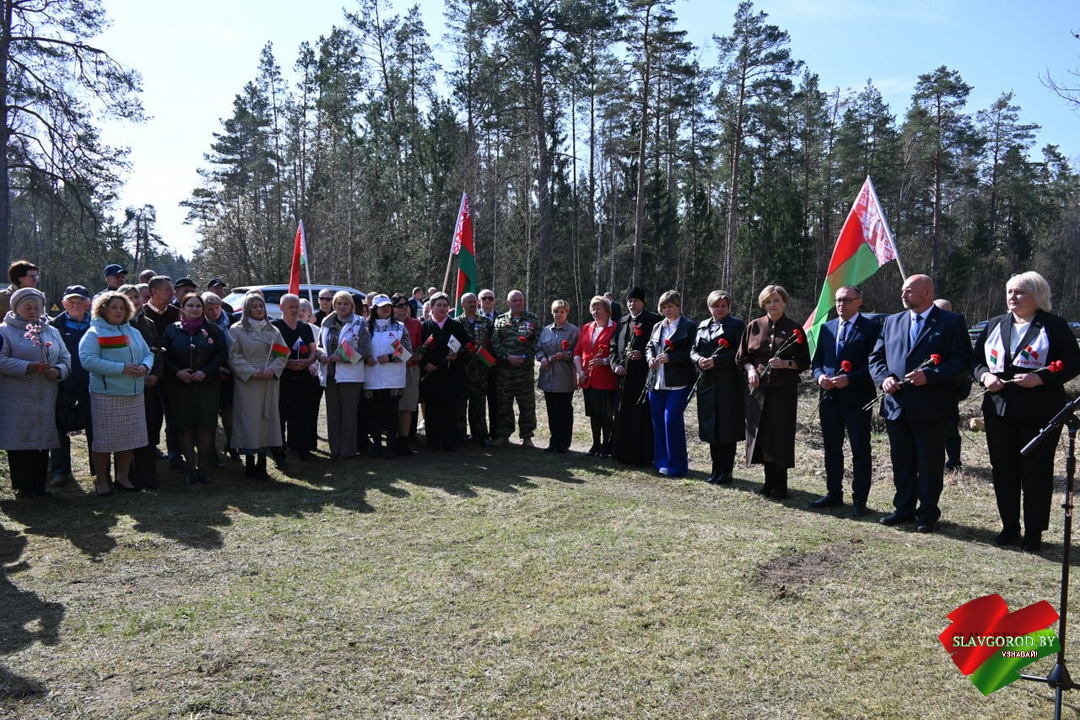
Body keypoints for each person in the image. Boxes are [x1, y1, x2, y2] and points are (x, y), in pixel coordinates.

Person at [974, 272, 1080, 551]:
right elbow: (976, 361)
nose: (1013, 297)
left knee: (1036, 471)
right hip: (998, 410)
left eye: (1020, 292)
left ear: (1037, 295)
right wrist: (985, 376)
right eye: (1009, 291)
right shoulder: (995, 324)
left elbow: (1073, 363)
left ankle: (1034, 530)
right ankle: (1009, 526)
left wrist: (1041, 378)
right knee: (1003, 469)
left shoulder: (1054, 326)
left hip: (1040, 411)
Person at [869, 274, 971, 533]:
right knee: (901, 460)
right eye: (903, 291)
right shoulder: (892, 321)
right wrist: (884, 379)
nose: (903, 295)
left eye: (909, 291)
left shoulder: (951, 322)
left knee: (929, 462)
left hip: (931, 406)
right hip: (897, 405)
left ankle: (927, 512)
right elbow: (876, 357)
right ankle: (903, 508)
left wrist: (931, 375)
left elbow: (961, 362)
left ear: (927, 293)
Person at [810, 286, 881, 515]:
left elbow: (875, 365)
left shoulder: (872, 328)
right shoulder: (827, 328)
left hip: (857, 398)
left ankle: (860, 500)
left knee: (860, 449)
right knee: (832, 448)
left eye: (847, 300)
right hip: (829, 398)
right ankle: (833, 493)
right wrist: (819, 377)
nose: (841, 304)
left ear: (859, 301)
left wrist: (850, 379)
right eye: (838, 300)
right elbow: (817, 362)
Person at [737, 284, 811, 499]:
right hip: (758, 389)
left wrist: (786, 363)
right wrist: (751, 370)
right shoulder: (754, 326)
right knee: (762, 434)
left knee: (780, 434)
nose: (772, 305)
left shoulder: (795, 328)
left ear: (784, 302)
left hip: (783, 390)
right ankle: (768, 482)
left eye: (776, 300)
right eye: (768, 301)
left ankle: (781, 484)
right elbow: (742, 357)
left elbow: (804, 361)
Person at [78, 291, 155, 495]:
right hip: (106, 395)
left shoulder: (134, 332)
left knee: (128, 439)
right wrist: (121, 368)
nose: (119, 311)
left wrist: (145, 367)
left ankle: (123, 478)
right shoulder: (94, 333)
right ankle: (102, 480)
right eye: (114, 307)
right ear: (103, 309)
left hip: (134, 394)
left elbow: (148, 353)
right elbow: (88, 360)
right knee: (104, 442)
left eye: (122, 308)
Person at [0, 288, 71, 496]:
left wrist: (58, 371)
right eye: (28, 308)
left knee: (41, 439)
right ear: (16, 308)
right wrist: (28, 367)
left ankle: (39, 484)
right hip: (17, 395)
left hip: (45, 394)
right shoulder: (5, 331)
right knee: (21, 439)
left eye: (36, 307)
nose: (33, 311)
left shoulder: (51, 331)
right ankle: (23, 485)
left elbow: (65, 357)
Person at [160, 292, 228, 484]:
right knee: (185, 426)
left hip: (208, 385)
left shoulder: (213, 329)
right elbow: (163, 354)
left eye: (198, 305)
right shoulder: (172, 329)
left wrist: (205, 371)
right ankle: (191, 468)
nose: (195, 309)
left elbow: (222, 353)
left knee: (205, 425)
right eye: (190, 305)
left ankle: (204, 467)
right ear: (182, 308)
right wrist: (177, 372)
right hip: (180, 386)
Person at [229, 293, 287, 480]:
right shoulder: (237, 330)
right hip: (248, 382)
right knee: (249, 421)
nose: (259, 309)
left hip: (269, 380)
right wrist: (252, 371)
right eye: (254, 306)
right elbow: (233, 356)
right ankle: (249, 463)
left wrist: (272, 369)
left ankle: (262, 463)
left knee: (266, 420)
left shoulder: (273, 330)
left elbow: (282, 354)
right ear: (247, 309)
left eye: (261, 306)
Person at [690, 290, 746, 485]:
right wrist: (698, 360)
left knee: (726, 428)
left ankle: (726, 471)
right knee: (711, 427)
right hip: (707, 383)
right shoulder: (702, 326)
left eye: (723, 305)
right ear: (709, 307)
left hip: (728, 383)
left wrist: (717, 360)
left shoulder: (737, 325)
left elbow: (741, 353)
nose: (720, 309)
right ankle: (715, 469)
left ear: (729, 307)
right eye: (716, 306)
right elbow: (693, 350)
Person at [644, 290, 696, 477]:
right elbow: (649, 347)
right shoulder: (658, 326)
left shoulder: (689, 326)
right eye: (664, 307)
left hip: (678, 382)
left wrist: (671, 358)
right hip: (656, 382)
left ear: (678, 307)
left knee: (671, 421)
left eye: (671, 306)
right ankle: (662, 462)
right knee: (658, 423)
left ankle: (678, 466)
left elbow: (692, 352)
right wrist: (650, 358)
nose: (668, 310)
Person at [609, 287, 661, 466]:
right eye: (629, 301)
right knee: (623, 414)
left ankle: (642, 456)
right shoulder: (622, 322)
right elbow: (613, 348)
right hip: (624, 377)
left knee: (641, 417)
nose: (632, 304)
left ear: (643, 302)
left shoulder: (653, 320)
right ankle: (623, 453)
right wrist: (616, 366)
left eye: (636, 301)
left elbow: (657, 347)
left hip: (643, 376)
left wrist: (643, 357)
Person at [120, 284, 164, 489]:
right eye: (128, 297)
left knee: (148, 429)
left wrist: (156, 374)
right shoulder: (115, 324)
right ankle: (126, 475)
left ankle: (147, 476)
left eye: (136, 296)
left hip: (147, 383)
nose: (134, 301)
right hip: (125, 383)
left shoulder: (149, 323)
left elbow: (156, 351)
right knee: (128, 431)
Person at [318, 290, 371, 460]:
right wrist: (320, 355)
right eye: (339, 303)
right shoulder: (326, 322)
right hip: (330, 374)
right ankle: (335, 449)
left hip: (350, 376)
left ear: (352, 306)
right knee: (333, 413)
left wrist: (343, 358)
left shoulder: (360, 322)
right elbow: (320, 345)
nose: (342, 307)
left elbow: (365, 350)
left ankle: (348, 450)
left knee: (348, 413)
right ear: (334, 304)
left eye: (346, 303)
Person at [50, 285, 93, 488]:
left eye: (80, 301)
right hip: (63, 383)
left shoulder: (97, 324)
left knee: (95, 426)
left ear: (88, 304)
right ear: (64, 304)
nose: (76, 305)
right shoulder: (53, 326)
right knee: (59, 427)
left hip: (92, 382)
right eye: (72, 302)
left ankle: (99, 471)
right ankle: (60, 471)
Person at [420, 292, 473, 452]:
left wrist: (458, 355)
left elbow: (469, 346)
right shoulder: (424, 326)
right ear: (432, 307)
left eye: (445, 305)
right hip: (432, 374)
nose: (442, 308)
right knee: (432, 409)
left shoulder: (456, 325)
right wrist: (425, 363)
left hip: (452, 374)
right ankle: (433, 441)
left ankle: (449, 441)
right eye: (439, 305)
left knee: (450, 408)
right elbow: (417, 349)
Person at [490, 289, 541, 447]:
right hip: (504, 371)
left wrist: (524, 356)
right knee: (504, 404)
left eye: (521, 300)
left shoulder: (532, 319)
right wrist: (508, 357)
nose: (519, 303)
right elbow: (495, 342)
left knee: (527, 404)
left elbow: (538, 341)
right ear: (508, 303)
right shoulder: (500, 320)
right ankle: (503, 435)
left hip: (524, 370)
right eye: (515, 300)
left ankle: (527, 436)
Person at [362, 294, 411, 457]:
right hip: (371, 377)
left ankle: (391, 447)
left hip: (393, 378)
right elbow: (357, 347)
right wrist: (365, 358)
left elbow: (407, 352)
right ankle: (376, 446)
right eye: (382, 307)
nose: (386, 309)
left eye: (388, 306)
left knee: (391, 413)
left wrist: (390, 357)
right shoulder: (365, 327)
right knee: (374, 413)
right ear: (375, 309)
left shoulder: (399, 327)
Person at [273, 294, 320, 462]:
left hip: (303, 378)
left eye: (297, 307)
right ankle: (279, 452)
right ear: (281, 307)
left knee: (302, 415)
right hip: (282, 379)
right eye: (291, 307)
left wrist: (308, 361)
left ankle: (302, 449)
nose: (295, 310)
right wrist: (286, 364)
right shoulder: (274, 327)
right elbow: (270, 352)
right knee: (280, 416)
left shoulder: (305, 327)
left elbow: (313, 349)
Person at [574, 295, 618, 457]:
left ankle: (606, 446)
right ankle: (595, 445)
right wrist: (580, 372)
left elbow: (617, 353)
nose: (595, 312)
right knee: (593, 414)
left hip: (606, 379)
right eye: (593, 309)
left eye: (598, 308)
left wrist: (605, 361)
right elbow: (577, 352)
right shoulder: (586, 327)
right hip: (588, 378)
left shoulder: (615, 328)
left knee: (606, 414)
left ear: (607, 311)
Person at [537, 299, 580, 453]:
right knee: (552, 411)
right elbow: (539, 348)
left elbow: (578, 352)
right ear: (552, 313)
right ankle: (553, 441)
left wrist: (564, 355)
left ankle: (564, 443)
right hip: (548, 377)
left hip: (565, 377)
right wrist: (542, 358)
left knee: (565, 411)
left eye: (562, 311)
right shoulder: (546, 330)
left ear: (567, 313)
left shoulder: (574, 331)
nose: (559, 314)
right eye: (556, 311)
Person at [934, 297, 971, 471]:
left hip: (950, 391)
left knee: (950, 430)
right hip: (926, 391)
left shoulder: (956, 331)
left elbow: (963, 364)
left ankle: (954, 462)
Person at [455, 292, 494, 446]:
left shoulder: (486, 322)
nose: (472, 304)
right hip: (461, 369)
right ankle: (459, 435)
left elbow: (492, 343)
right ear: (462, 305)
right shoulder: (456, 323)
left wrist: (486, 355)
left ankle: (480, 435)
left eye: (474, 301)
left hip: (480, 370)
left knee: (478, 404)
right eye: (469, 302)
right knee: (460, 403)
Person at [202, 292, 236, 465]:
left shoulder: (232, 320)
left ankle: (232, 444)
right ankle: (210, 450)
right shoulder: (200, 324)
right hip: (208, 374)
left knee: (229, 410)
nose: (214, 312)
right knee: (210, 414)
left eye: (217, 308)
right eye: (210, 309)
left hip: (230, 372)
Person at [392, 293, 422, 454]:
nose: (404, 308)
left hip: (411, 368)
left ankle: (404, 440)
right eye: (400, 305)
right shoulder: (388, 324)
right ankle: (394, 439)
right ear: (393, 307)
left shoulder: (416, 324)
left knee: (408, 406)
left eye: (406, 304)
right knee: (394, 406)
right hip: (392, 368)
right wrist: (403, 356)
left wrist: (417, 355)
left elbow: (420, 345)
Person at [478, 289, 499, 437]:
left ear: (495, 301)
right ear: (479, 301)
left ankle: (494, 433)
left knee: (495, 401)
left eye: (490, 298)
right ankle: (479, 433)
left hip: (497, 366)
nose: (487, 300)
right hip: (477, 367)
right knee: (477, 402)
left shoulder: (502, 318)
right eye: (484, 298)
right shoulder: (473, 318)